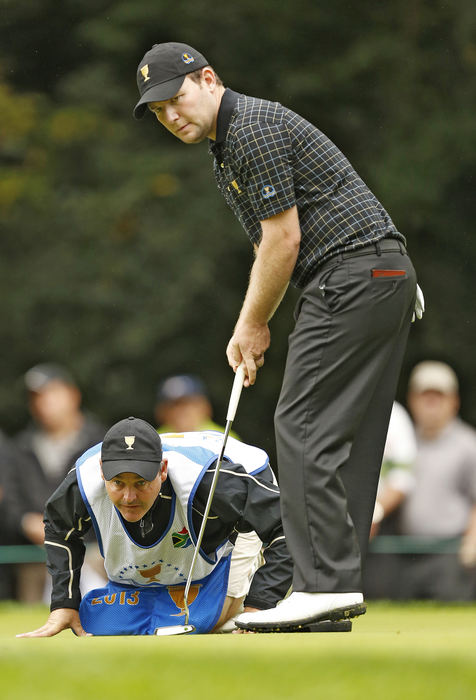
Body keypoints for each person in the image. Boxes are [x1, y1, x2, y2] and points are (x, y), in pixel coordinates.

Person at [133, 42, 423, 630]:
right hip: (380, 274)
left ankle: (319, 586)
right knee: (351, 440)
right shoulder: (232, 143)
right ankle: (333, 594)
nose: (171, 116)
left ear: (208, 79)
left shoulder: (250, 129)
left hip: (351, 275)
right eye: (159, 111)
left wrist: (251, 322)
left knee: (302, 426)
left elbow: (282, 241)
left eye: (175, 99)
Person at [18, 417, 292, 637]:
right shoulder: (83, 482)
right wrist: (64, 604)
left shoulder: (215, 484)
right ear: (103, 471)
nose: (128, 497)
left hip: (240, 480)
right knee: (103, 624)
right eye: (118, 483)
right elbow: (58, 528)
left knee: (209, 620)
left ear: (162, 470)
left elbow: (288, 527)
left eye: (140, 483)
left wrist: (259, 607)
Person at [5, 363, 106, 602]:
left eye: (51, 393)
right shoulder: (20, 447)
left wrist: (70, 536)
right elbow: (10, 500)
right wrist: (24, 522)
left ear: (73, 395)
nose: (43, 403)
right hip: (35, 560)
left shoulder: (102, 442)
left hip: (95, 556)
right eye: (36, 397)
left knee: (105, 617)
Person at [396, 361, 476, 600]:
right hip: (403, 553)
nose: (431, 404)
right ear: (412, 400)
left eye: (438, 397)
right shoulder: (401, 444)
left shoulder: (468, 445)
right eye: (425, 396)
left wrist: (473, 540)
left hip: (452, 556)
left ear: (454, 401)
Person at [155, 374, 226, 434]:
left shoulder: (223, 436)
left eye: (188, 403)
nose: (181, 411)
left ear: (204, 406)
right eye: (174, 405)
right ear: (162, 412)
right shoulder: (155, 439)